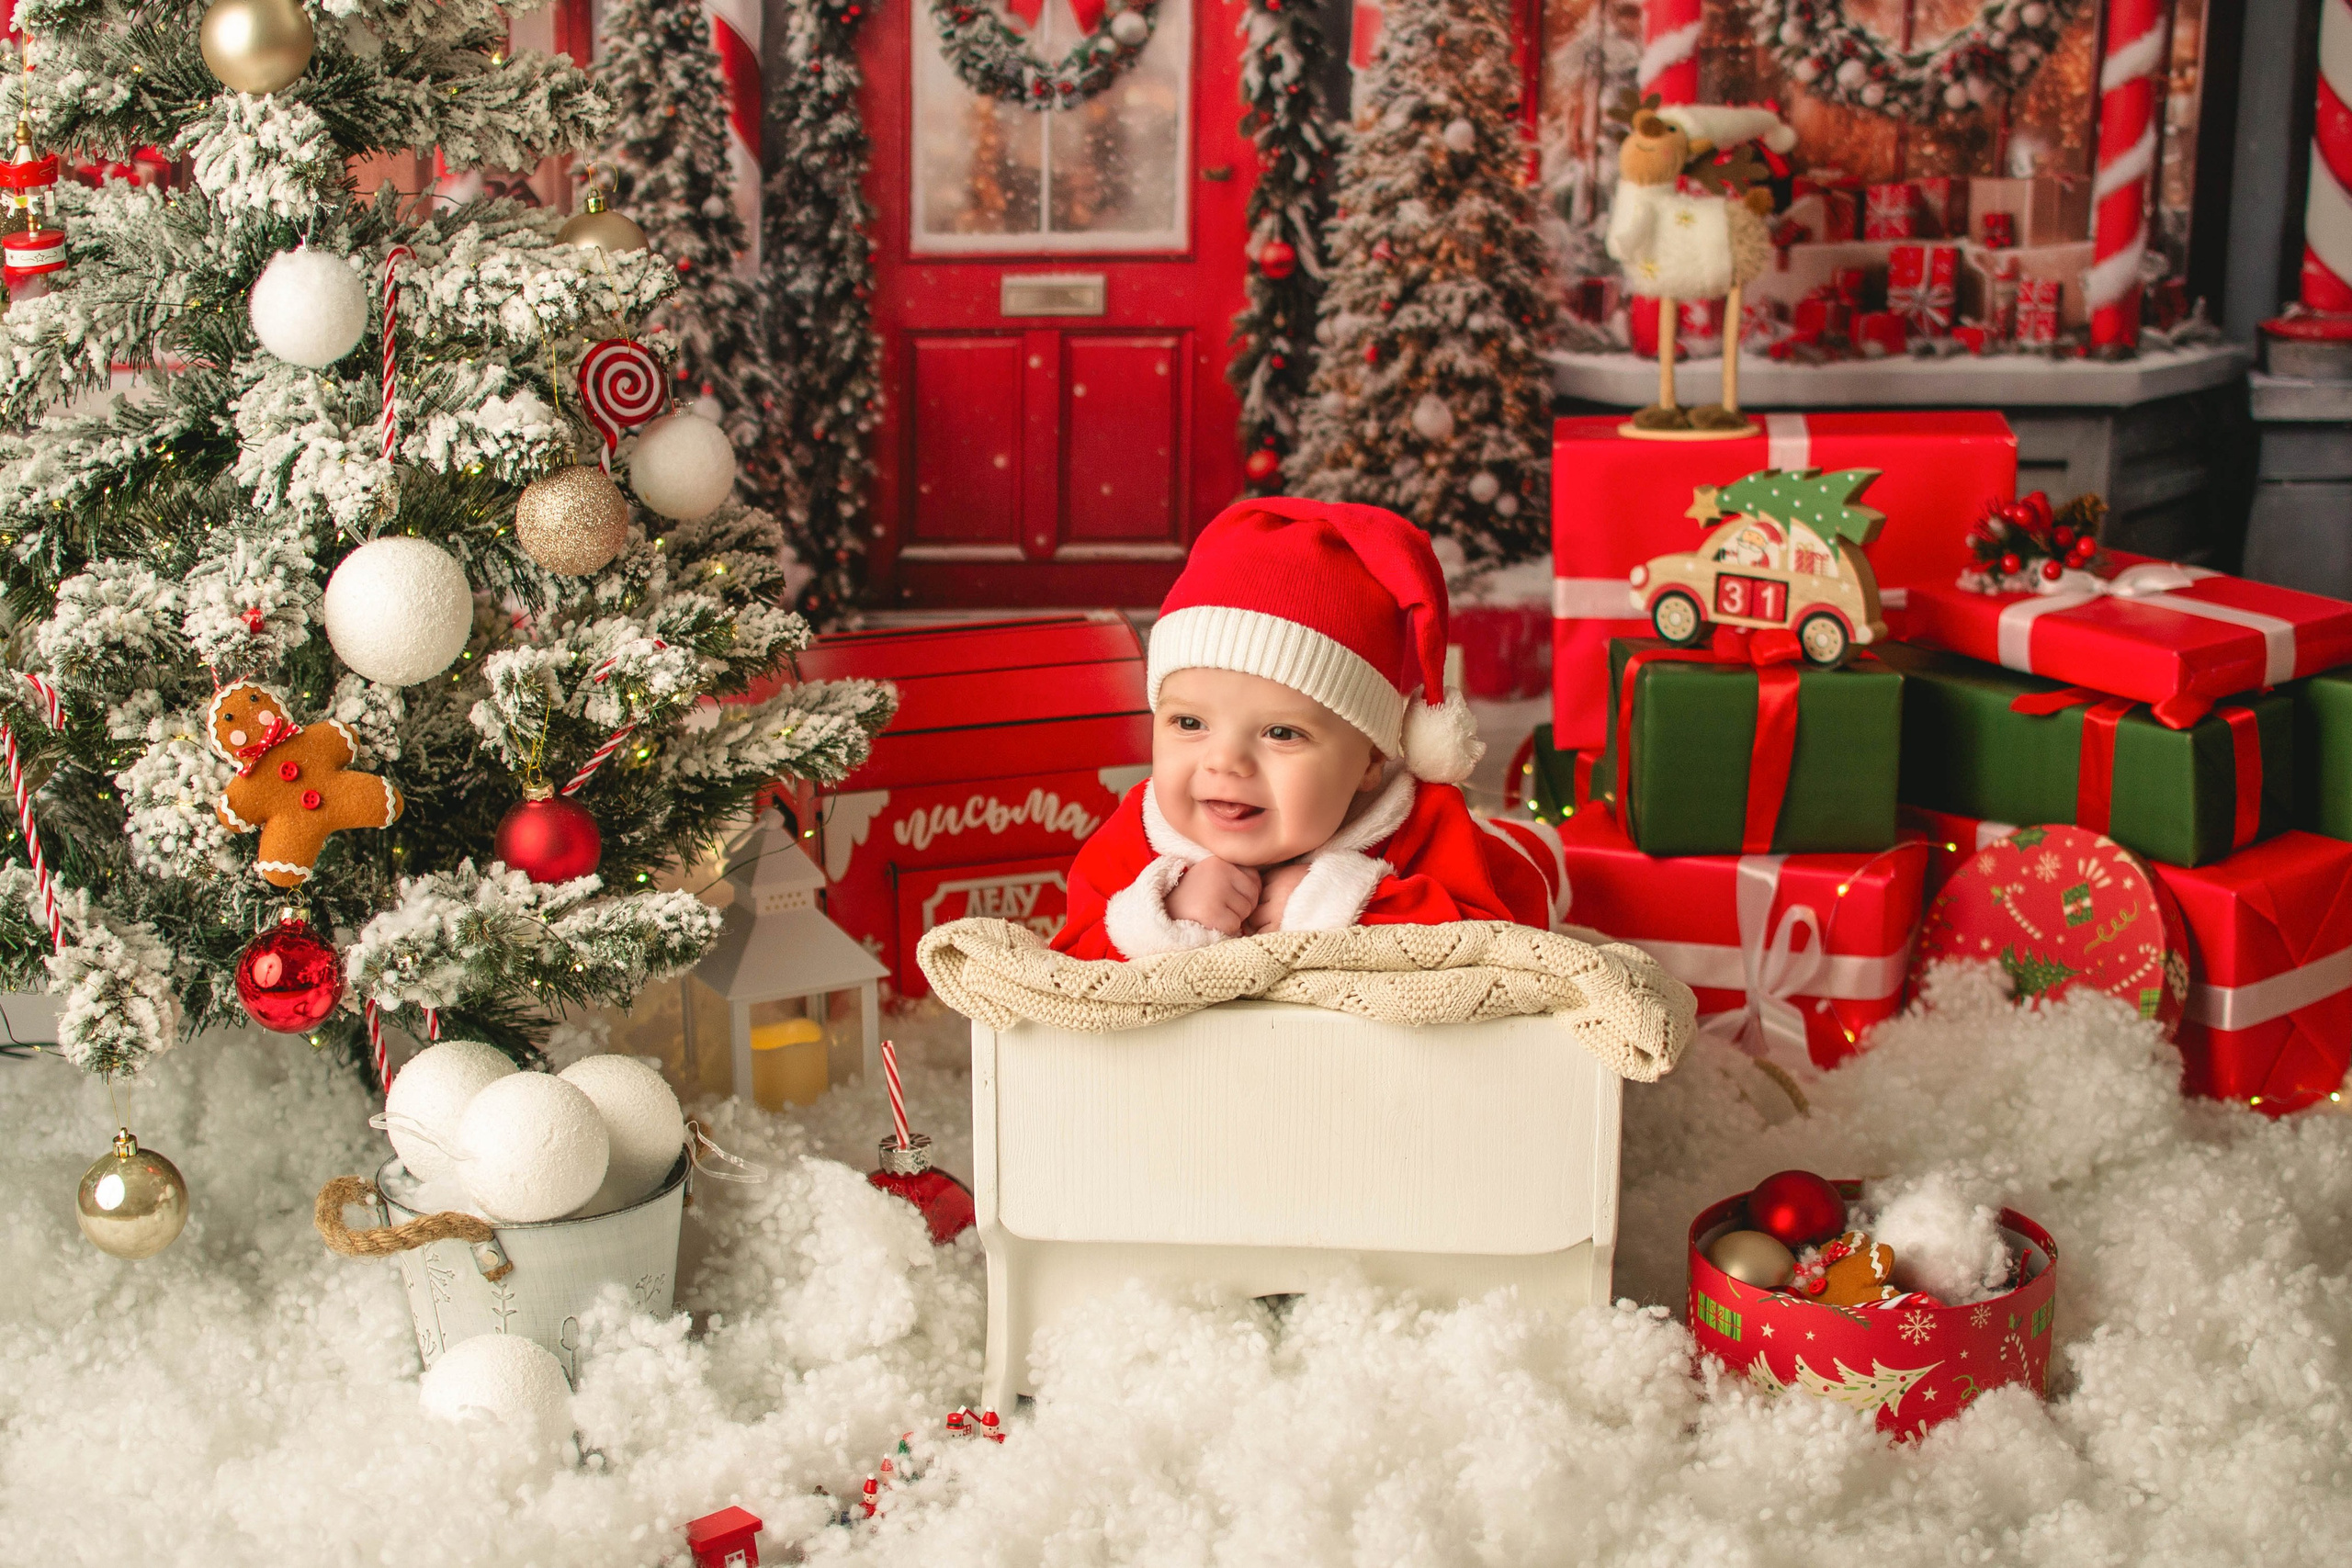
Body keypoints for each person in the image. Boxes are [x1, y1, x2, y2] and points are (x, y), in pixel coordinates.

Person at [1050, 498, 1564, 961]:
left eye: (1281, 734)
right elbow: (1072, 956)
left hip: (1520, 854)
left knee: (1542, 855)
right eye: (1189, 723)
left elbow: (1503, 939)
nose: (1225, 762)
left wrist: (1340, 905)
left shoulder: (1421, 821)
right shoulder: (1141, 832)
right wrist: (1165, 917)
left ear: (1368, 761)